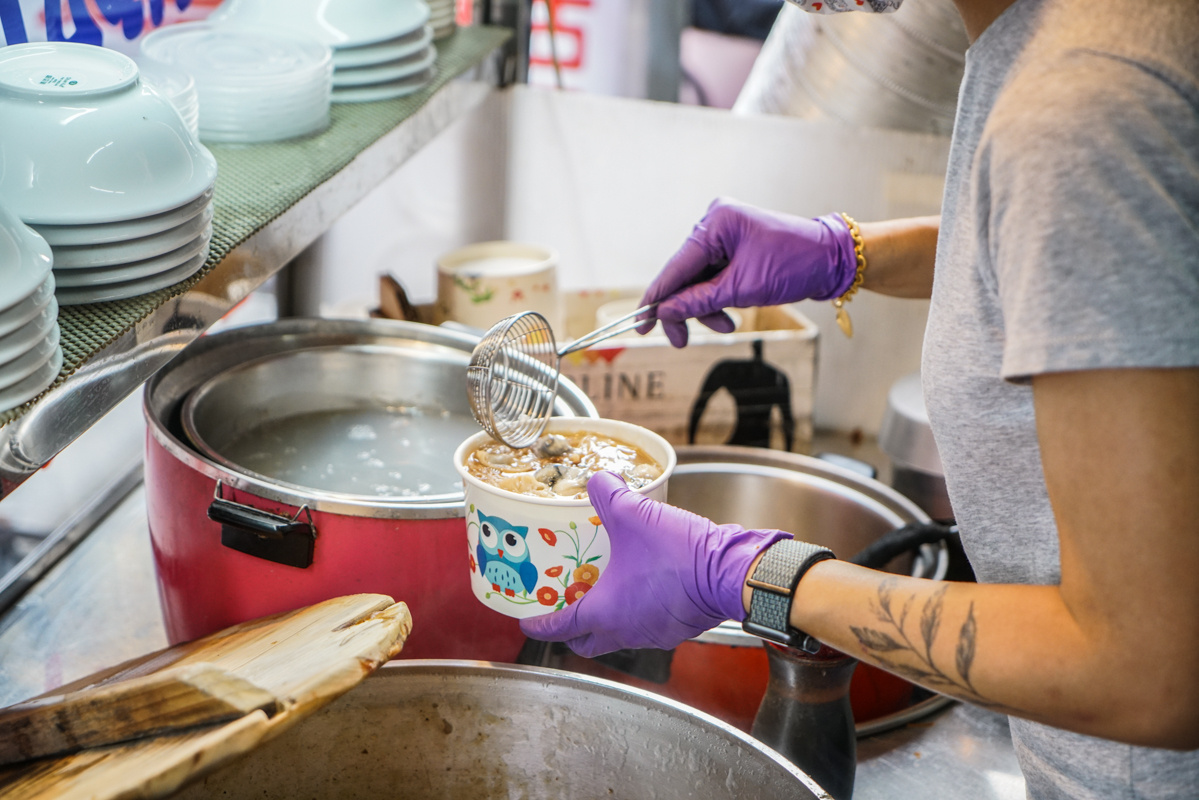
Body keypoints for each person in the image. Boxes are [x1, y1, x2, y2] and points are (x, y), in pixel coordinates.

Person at [520, 0, 1199, 797]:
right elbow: (1089, 253)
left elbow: (1141, 672)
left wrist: (750, 576)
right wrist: (850, 254)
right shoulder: (1091, 36)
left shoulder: (1079, 105)